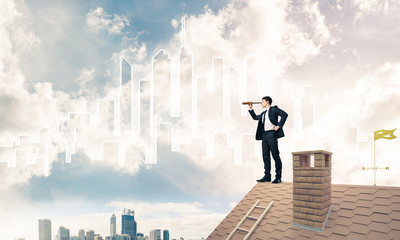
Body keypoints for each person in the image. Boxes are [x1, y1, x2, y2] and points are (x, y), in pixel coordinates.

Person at [248, 96, 288, 184]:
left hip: (272, 134)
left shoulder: (274, 109)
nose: (261, 103)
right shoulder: (263, 114)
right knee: (265, 156)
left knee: (275, 155)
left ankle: (278, 177)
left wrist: (279, 126)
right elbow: (255, 117)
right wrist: (251, 109)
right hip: (264, 136)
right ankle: (267, 176)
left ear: (267, 102)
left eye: (263, 101)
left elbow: (285, 115)